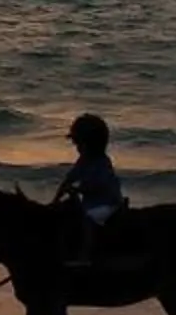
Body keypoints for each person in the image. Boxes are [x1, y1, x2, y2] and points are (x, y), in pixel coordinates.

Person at [50, 112, 126, 269]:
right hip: (91, 203)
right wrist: (56, 200)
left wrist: (78, 189)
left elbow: (99, 185)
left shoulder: (102, 163)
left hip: (107, 203)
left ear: (90, 144)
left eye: (79, 144)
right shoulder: (83, 161)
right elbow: (69, 179)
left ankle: (85, 257)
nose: (77, 148)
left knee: (89, 220)